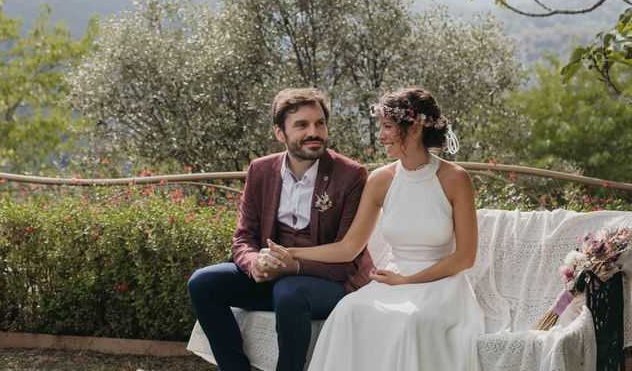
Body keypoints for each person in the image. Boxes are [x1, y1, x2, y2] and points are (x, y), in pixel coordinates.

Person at [268, 87, 485, 370]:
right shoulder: (380, 180)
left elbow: (465, 257)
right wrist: (291, 251)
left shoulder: (455, 179)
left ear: (415, 128)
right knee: (349, 311)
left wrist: (407, 281)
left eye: (387, 127)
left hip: (441, 285)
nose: (380, 136)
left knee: (413, 321)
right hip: (391, 280)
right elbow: (349, 246)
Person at [187, 87, 373, 371]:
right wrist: (255, 264)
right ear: (279, 132)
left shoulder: (350, 175)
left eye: (320, 123)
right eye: (302, 125)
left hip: (331, 282)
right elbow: (244, 238)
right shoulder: (260, 170)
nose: (314, 132)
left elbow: (347, 259)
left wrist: (293, 266)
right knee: (203, 283)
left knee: (290, 291)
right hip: (274, 275)